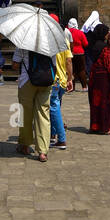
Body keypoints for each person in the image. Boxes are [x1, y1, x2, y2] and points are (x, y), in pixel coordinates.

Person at [15, 47, 54, 161]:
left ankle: (25, 145)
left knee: (25, 114)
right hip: (46, 81)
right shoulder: (50, 43)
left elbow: (15, 65)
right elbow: (54, 64)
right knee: (43, 115)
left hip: (27, 81)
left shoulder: (22, 45)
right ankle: (43, 151)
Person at [85, 23, 110, 134]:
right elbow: (109, 64)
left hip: (94, 77)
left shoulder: (94, 45)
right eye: (107, 32)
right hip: (104, 79)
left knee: (95, 102)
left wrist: (109, 40)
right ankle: (105, 128)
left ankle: (95, 126)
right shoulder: (104, 48)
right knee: (105, 102)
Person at [48, 13, 71, 150]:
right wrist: (70, 78)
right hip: (62, 79)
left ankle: (61, 138)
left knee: (53, 108)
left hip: (54, 79)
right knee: (55, 107)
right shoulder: (64, 40)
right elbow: (69, 61)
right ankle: (52, 134)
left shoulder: (49, 41)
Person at [66, 17, 88, 90]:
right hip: (80, 54)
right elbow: (85, 44)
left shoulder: (67, 31)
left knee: (72, 71)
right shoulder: (80, 33)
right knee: (81, 70)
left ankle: (72, 87)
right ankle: (84, 87)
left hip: (70, 53)